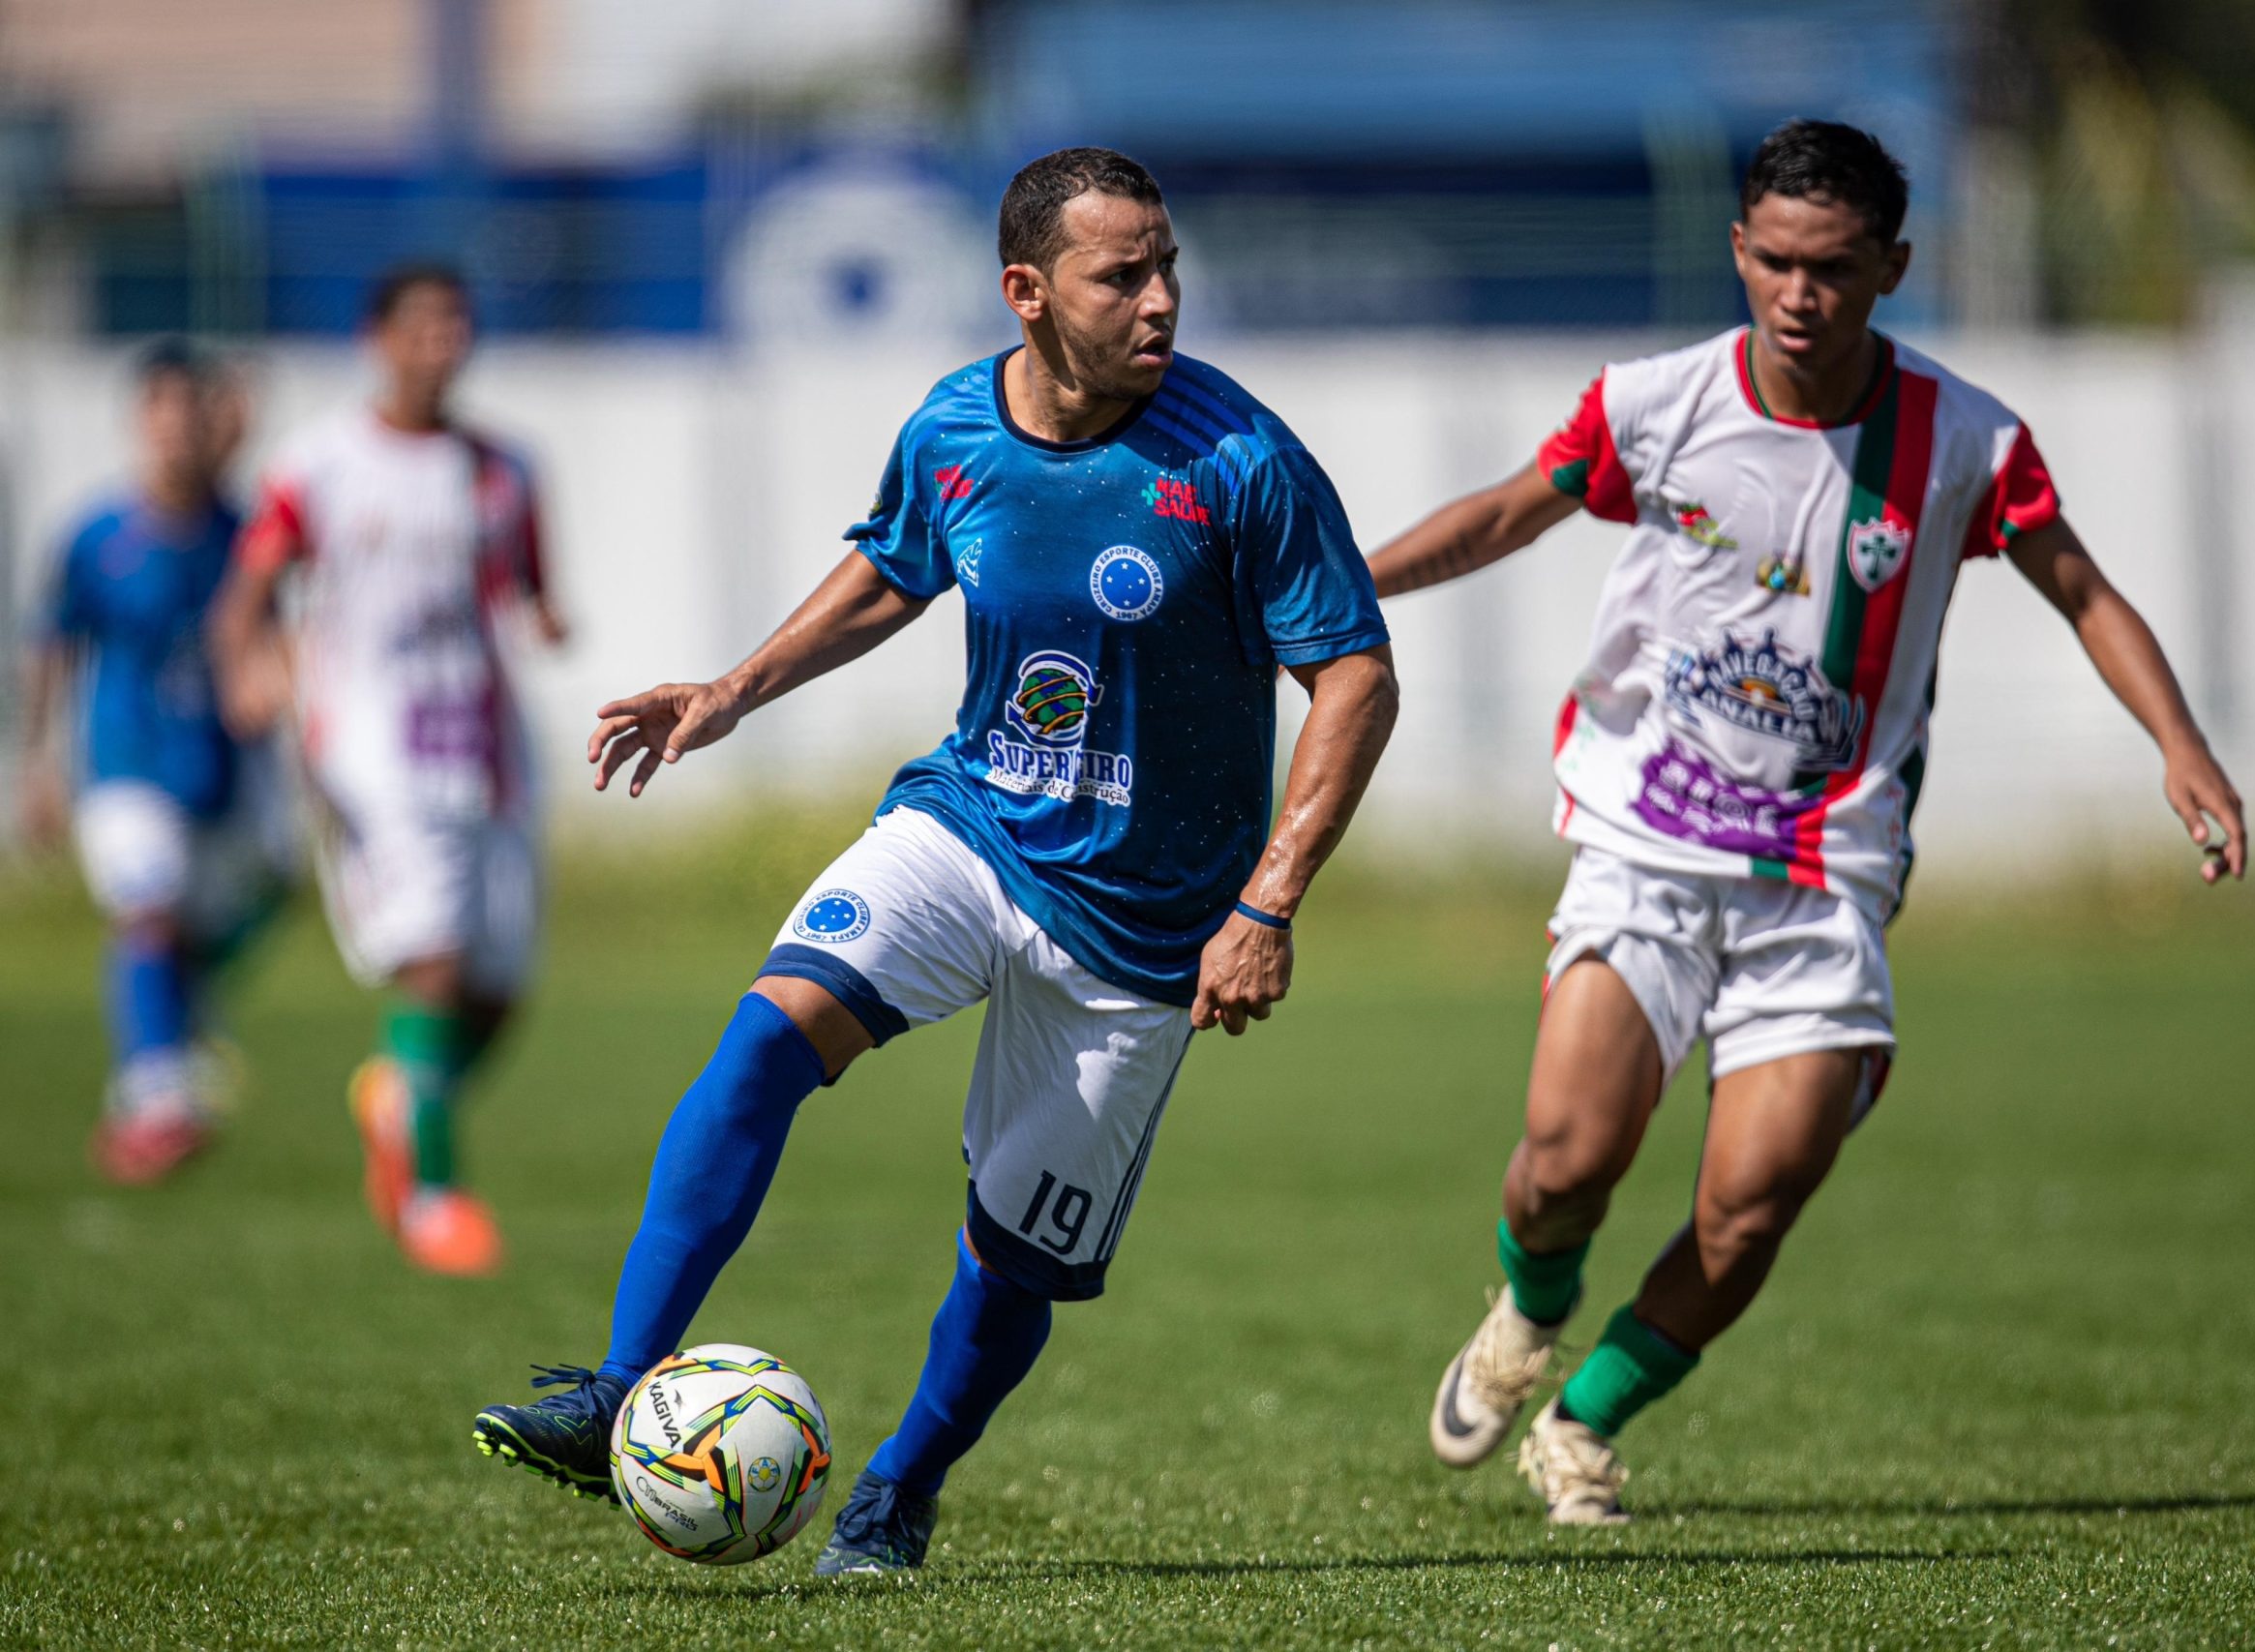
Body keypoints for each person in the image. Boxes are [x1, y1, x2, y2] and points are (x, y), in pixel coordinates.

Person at [469, 145, 1397, 1577]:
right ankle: (616, 1387)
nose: (1160, 301)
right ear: (1027, 292)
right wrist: (731, 690)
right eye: (1121, 274)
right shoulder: (955, 424)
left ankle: (899, 1484)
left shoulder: (1243, 460)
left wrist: (1266, 901)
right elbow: (894, 568)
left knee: (1013, 1254)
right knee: (766, 1038)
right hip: (967, 829)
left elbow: (1353, 679)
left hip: (1145, 923)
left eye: (1167, 268)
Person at [1371, 120, 2249, 1525]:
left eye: (1833, 267)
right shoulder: (1656, 404)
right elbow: (1505, 515)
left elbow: (2080, 586)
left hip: (1826, 873)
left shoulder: (1964, 438)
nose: (1799, 294)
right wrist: (1343, 593)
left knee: (1750, 1204)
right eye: (1774, 261)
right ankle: (1529, 1309)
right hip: (1648, 839)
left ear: (1892, 265)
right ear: (1738, 250)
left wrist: (2182, 745)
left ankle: (1585, 1421)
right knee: (1564, 1159)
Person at [210, 263, 567, 1277]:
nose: (441, 346)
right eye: (422, 328)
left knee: (498, 995)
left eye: (457, 327)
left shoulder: (502, 468)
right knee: (434, 964)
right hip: (372, 750)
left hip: (488, 752)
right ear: (379, 338)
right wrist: (252, 672)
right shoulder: (320, 462)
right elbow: (248, 594)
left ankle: (398, 1093)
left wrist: (547, 617)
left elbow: (532, 588)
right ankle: (433, 1197)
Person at [17, 341, 289, 1184]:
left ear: (217, 424)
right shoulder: (97, 537)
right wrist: (37, 763)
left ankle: (175, 1017)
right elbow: (52, 649)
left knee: (268, 892)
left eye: (195, 413)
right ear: (140, 423)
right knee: (148, 907)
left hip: (215, 768)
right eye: (163, 413)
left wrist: (268, 682)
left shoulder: (243, 535)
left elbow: (270, 636)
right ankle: (157, 1096)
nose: (179, 431)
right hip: (123, 761)